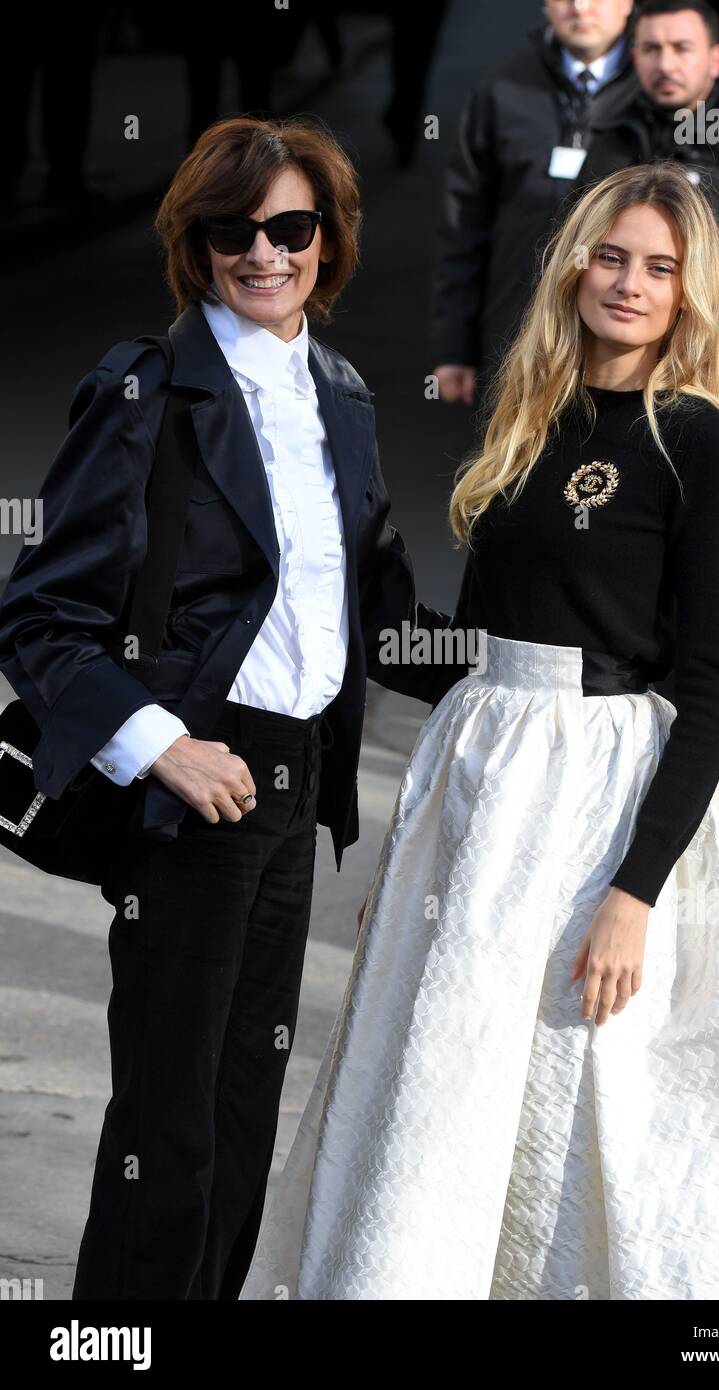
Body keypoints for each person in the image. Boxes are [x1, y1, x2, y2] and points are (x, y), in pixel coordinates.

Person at [240, 163, 719, 1300]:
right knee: (447, 1085)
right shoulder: (529, 416)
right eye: (612, 256)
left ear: (688, 295)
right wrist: (322, 563)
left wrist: (634, 891)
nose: (629, 283)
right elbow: (473, 656)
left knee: (596, 1103)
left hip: (606, 801)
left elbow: (707, 692)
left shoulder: (701, 444)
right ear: (575, 262)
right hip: (482, 796)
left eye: (659, 268)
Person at [0, 115, 466, 1300]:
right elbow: (39, 618)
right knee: (170, 1124)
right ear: (195, 245)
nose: (263, 254)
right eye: (231, 231)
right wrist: (164, 747)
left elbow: (384, 616)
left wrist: (540, 659)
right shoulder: (146, 395)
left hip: (296, 787)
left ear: (329, 239)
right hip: (190, 790)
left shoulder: (343, 395)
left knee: (244, 1109)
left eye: (290, 228)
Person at [430, 0, 639, 405]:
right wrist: (453, 345)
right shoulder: (500, 89)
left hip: (622, 346)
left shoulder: (659, 92)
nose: (581, 7)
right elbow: (463, 225)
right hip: (515, 335)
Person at [571, 1, 719, 281]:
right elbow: (575, 242)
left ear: (716, 60)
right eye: (651, 49)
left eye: (682, 48)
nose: (665, 65)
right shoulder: (609, 135)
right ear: (634, 58)